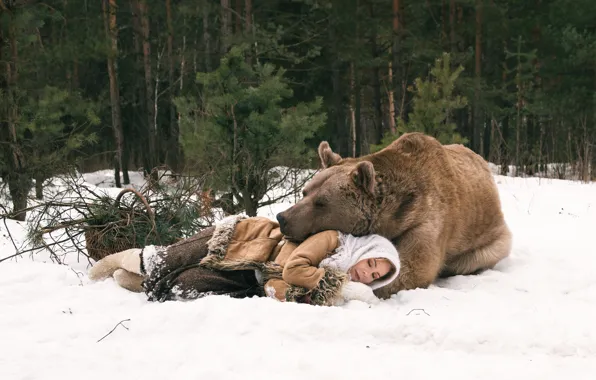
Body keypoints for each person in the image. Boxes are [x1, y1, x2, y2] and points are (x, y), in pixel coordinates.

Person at [88, 215, 400, 306]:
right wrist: (327, 284)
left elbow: (288, 290)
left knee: (184, 286)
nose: (366, 274)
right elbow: (293, 267)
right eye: (371, 264)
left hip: (250, 277)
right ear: (365, 252)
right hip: (245, 240)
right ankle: (118, 261)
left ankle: (132, 281)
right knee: (168, 259)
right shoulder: (334, 240)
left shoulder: (339, 287)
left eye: (375, 277)